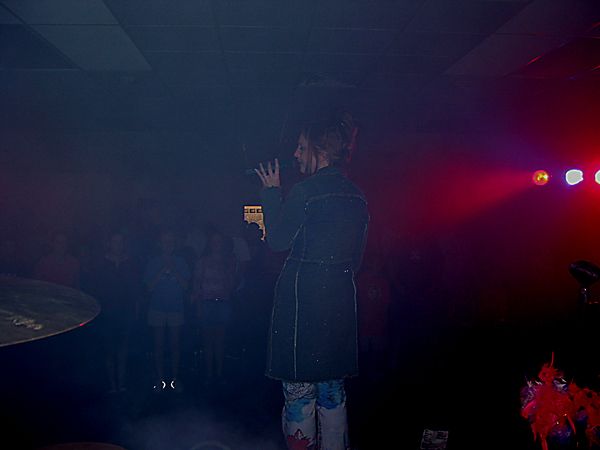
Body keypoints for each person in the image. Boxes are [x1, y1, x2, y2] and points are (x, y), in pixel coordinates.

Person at [255, 111, 369, 450]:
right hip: (339, 301)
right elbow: (357, 261)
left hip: (302, 302)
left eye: (302, 147)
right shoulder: (358, 196)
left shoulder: (305, 192)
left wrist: (271, 193)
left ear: (320, 150)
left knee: (300, 391)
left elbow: (277, 241)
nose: (295, 153)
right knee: (332, 392)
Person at [92, 230, 141, 393]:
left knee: (123, 349)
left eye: (120, 242)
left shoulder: (130, 263)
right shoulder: (102, 263)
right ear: (109, 243)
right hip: (107, 312)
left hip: (125, 312)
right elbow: (97, 288)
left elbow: (135, 288)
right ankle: (112, 385)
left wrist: (136, 308)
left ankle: (121, 383)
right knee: (109, 349)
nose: (118, 245)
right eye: (115, 242)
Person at [143, 228, 191, 393]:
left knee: (175, 345)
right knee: (158, 345)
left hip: (176, 308)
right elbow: (149, 287)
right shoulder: (153, 262)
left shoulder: (181, 262)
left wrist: (174, 270)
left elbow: (186, 286)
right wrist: (162, 270)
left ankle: (175, 379)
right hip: (157, 308)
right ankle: (160, 379)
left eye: (171, 241)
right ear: (160, 243)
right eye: (165, 241)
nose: (168, 244)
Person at [191, 229, 239, 387]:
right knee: (207, 341)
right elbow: (197, 284)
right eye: (214, 241)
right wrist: (198, 305)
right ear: (210, 243)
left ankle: (219, 373)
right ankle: (209, 374)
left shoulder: (228, 261)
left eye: (219, 241)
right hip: (207, 303)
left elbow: (232, 284)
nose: (216, 244)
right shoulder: (202, 261)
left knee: (220, 341)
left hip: (223, 303)